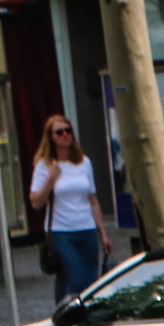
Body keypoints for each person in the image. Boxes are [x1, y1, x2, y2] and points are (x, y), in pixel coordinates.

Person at [29, 115, 109, 304]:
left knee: (88, 280)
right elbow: (35, 202)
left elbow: (93, 200)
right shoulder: (45, 165)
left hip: (87, 229)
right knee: (77, 278)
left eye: (68, 130)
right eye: (59, 132)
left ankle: (63, 314)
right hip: (61, 232)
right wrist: (51, 179)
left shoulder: (84, 162)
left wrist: (103, 233)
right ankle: (71, 314)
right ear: (51, 137)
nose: (65, 135)